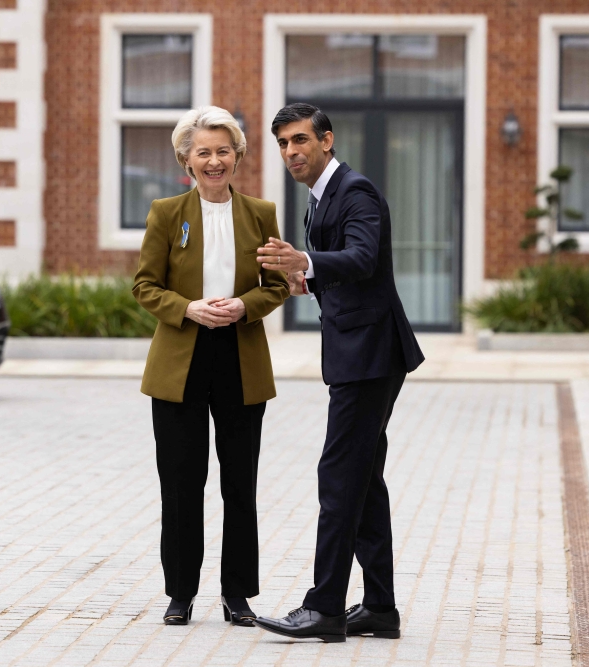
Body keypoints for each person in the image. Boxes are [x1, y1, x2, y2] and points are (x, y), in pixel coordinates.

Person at [253, 103, 424, 643]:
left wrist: (306, 262)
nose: (291, 152)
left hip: (371, 354)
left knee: (340, 476)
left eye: (300, 140)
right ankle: (379, 607)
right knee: (364, 480)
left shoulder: (355, 191)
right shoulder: (320, 196)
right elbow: (345, 268)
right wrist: (312, 278)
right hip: (359, 351)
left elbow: (364, 256)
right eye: (283, 143)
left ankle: (324, 607)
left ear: (327, 140)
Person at [132, 106, 289, 627]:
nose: (215, 160)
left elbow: (277, 285)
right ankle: (181, 593)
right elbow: (145, 286)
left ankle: (238, 596)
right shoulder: (165, 213)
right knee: (180, 484)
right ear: (187, 159)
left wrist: (245, 305)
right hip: (181, 359)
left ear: (238, 157)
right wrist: (188, 308)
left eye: (224, 151)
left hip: (240, 358)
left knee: (239, 484)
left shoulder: (261, 213)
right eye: (204, 152)